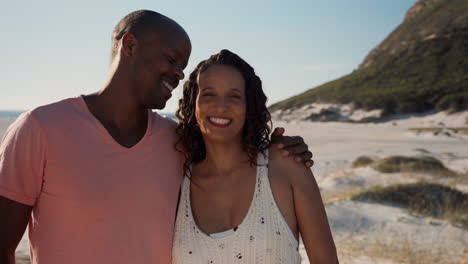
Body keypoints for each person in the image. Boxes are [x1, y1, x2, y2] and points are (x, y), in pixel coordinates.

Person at [0, 10, 314, 264]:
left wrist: (277, 149)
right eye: (171, 59)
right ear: (130, 45)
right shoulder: (40, 128)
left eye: (183, 66)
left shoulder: (177, 141)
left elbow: (230, 152)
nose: (179, 73)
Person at [172, 49, 338, 263]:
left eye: (234, 96)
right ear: (193, 103)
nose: (221, 106)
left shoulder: (286, 165)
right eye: (209, 94)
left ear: (248, 106)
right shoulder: (177, 180)